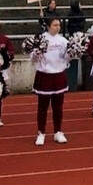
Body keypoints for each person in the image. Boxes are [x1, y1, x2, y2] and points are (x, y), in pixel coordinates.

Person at [31, 17, 70, 146]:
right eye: (54, 25)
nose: (57, 27)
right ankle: (41, 133)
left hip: (59, 75)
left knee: (58, 107)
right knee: (42, 107)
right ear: (48, 26)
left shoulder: (63, 41)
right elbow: (33, 58)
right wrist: (36, 53)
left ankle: (58, 131)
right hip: (45, 75)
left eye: (59, 25)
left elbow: (66, 57)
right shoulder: (40, 39)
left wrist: (72, 53)